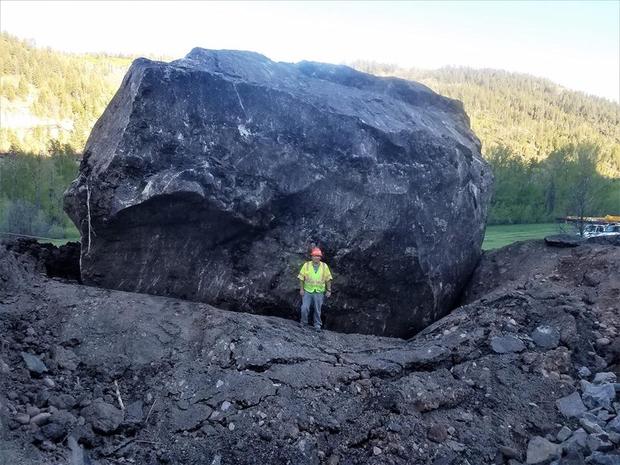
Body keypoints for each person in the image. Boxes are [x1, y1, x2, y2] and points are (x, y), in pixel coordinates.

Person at [297, 247, 333, 330]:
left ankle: (317, 324)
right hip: (307, 291)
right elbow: (301, 278)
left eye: (318, 256)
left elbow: (328, 279)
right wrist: (301, 289)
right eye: (315, 256)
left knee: (317, 309)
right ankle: (303, 322)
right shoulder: (306, 265)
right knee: (304, 308)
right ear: (311, 256)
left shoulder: (324, 266)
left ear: (320, 257)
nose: (317, 257)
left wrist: (329, 290)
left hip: (319, 291)